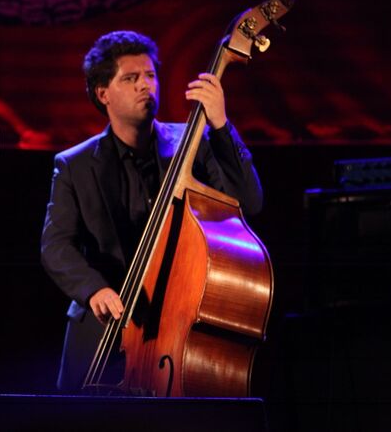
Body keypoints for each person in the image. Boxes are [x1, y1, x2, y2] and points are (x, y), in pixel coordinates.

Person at [40, 31, 262, 392]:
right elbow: (55, 246)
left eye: (150, 76)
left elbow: (248, 203)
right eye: (131, 78)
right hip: (104, 324)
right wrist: (95, 290)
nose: (146, 85)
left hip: (176, 327)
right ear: (103, 93)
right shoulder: (73, 165)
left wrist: (221, 125)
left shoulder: (193, 147)